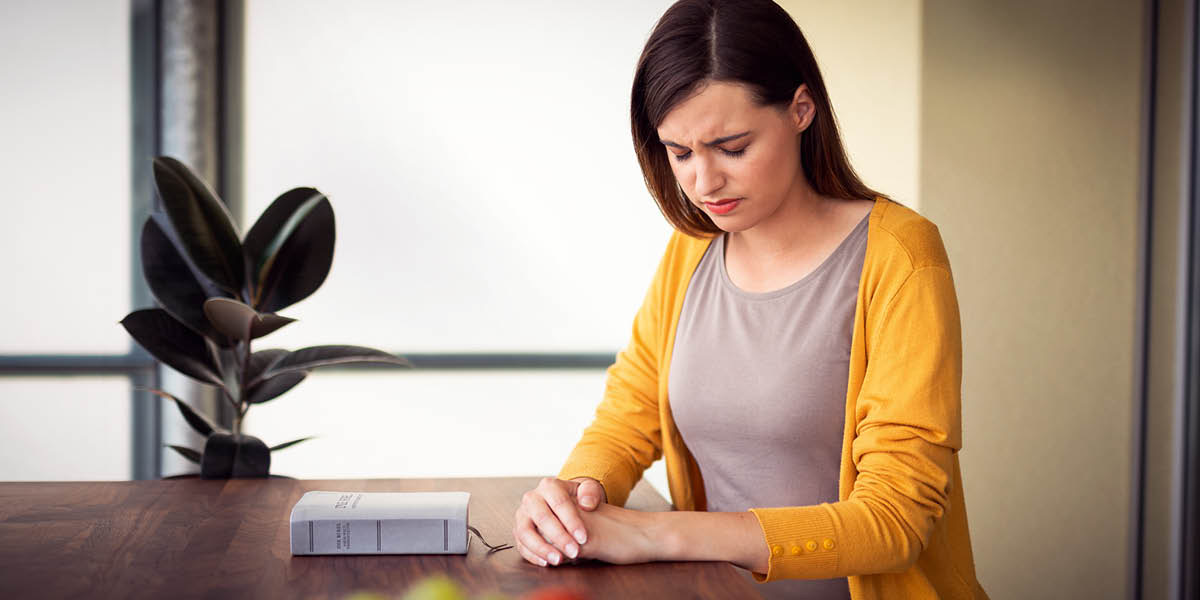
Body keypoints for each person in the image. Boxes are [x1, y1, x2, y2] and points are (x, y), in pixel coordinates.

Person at [512, 1, 989, 598]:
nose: (703, 183)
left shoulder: (901, 257)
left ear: (800, 109)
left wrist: (660, 535)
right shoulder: (692, 251)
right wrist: (574, 498)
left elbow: (896, 520)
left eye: (731, 147)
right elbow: (628, 414)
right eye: (679, 153)